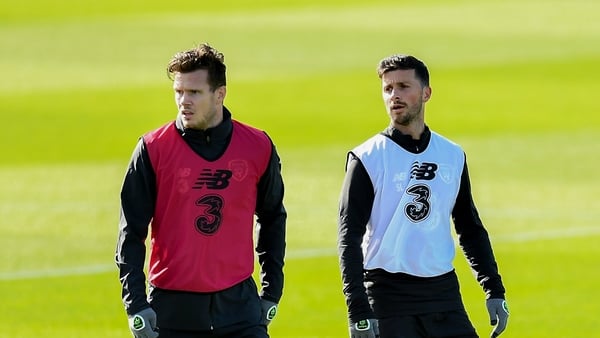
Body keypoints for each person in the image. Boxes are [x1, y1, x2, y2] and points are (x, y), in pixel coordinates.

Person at [115, 43, 287, 338]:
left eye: (194, 92)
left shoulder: (257, 146)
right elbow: (131, 231)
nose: (184, 101)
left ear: (219, 94)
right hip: (171, 309)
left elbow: (272, 218)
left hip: (239, 307)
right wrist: (136, 305)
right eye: (178, 92)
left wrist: (272, 291)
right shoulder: (153, 148)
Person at [337, 54, 509, 338]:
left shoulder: (451, 155)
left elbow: (469, 227)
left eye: (404, 86)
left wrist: (493, 288)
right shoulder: (367, 158)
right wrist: (357, 309)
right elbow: (349, 237)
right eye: (388, 88)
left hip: (443, 295)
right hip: (387, 297)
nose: (394, 95)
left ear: (426, 93)